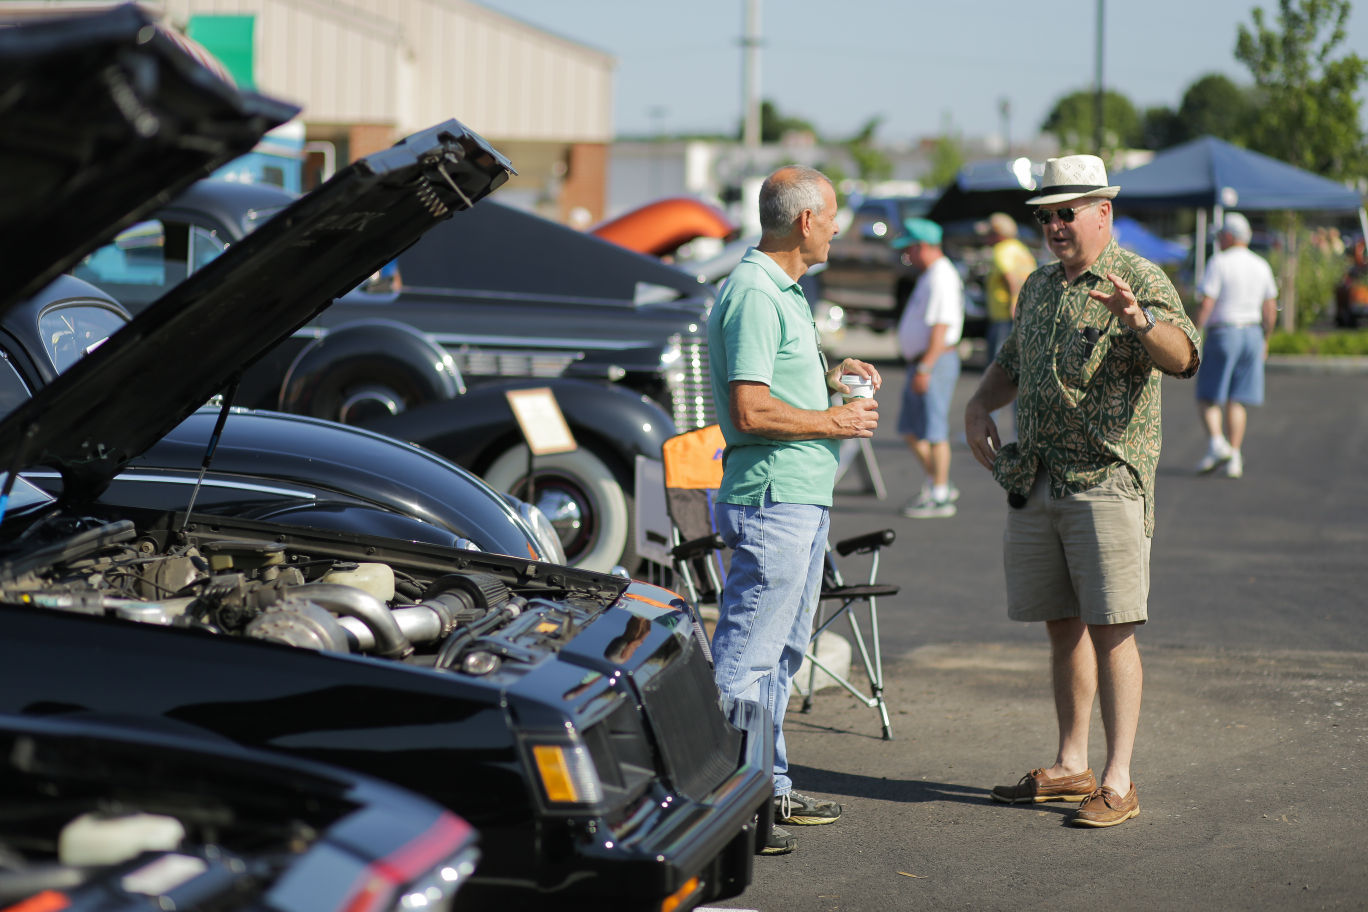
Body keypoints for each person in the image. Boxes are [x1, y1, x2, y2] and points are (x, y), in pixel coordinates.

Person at [963, 154, 1200, 828]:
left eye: (1067, 212)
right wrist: (978, 406)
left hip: (1105, 480)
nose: (1054, 225)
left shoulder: (1137, 277)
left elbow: (1182, 357)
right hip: (1038, 478)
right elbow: (1011, 364)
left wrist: (1137, 322)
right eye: (1045, 215)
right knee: (1062, 628)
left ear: (1104, 212)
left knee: (1112, 630)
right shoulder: (1037, 285)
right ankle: (1072, 764)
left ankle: (1119, 779)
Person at [707, 165, 881, 855]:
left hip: (795, 498)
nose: (839, 227)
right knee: (748, 658)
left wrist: (827, 378)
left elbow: (770, 385)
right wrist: (833, 422)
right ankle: (724, 808)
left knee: (777, 654)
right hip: (775, 498)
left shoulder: (781, 292)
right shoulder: (755, 293)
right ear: (806, 221)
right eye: (833, 214)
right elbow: (750, 408)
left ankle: (765, 790)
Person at [1192, 212, 1278, 479]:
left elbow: (1207, 302)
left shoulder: (1219, 262)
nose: (1219, 240)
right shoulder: (1261, 264)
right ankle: (1235, 455)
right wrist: (1266, 338)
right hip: (1252, 332)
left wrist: (1193, 333)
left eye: (1221, 235)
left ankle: (1218, 443)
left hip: (1224, 332)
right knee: (1237, 398)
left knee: (1207, 395)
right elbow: (1270, 308)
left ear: (1230, 236)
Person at [893, 217, 964, 518]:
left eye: (909, 248)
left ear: (924, 246)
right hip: (926, 360)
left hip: (933, 360)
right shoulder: (932, 274)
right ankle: (939, 484)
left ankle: (939, 493)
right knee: (911, 429)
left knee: (934, 430)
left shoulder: (941, 276)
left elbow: (941, 325)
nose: (906, 255)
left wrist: (925, 367)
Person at [982, 211, 1037, 363]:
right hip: (1021, 311)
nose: (985, 237)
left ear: (998, 234)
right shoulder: (1020, 248)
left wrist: (1014, 303)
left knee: (999, 362)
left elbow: (1011, 277)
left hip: (1005, 315)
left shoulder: (1001, 250)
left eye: (989, 233)